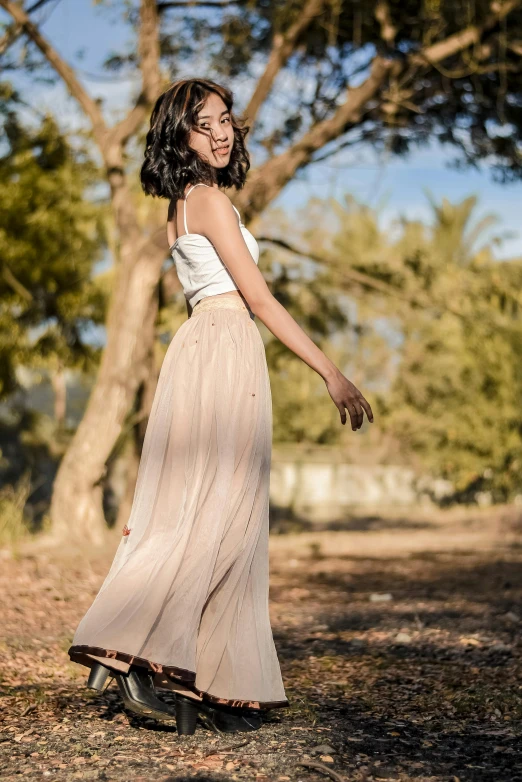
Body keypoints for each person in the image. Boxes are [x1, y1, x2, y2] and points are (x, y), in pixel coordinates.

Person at [67, 77, 373, 736]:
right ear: (180, 134)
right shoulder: (206, 200)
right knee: (221, 517)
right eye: (204, 123)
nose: (221, 132)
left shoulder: (182, 202)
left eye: (226, 119)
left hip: (203, 347)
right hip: (225, 345)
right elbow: (258, 300)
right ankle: (135, 652)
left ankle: (200, 674)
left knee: (206, 512)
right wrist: (332, 372)